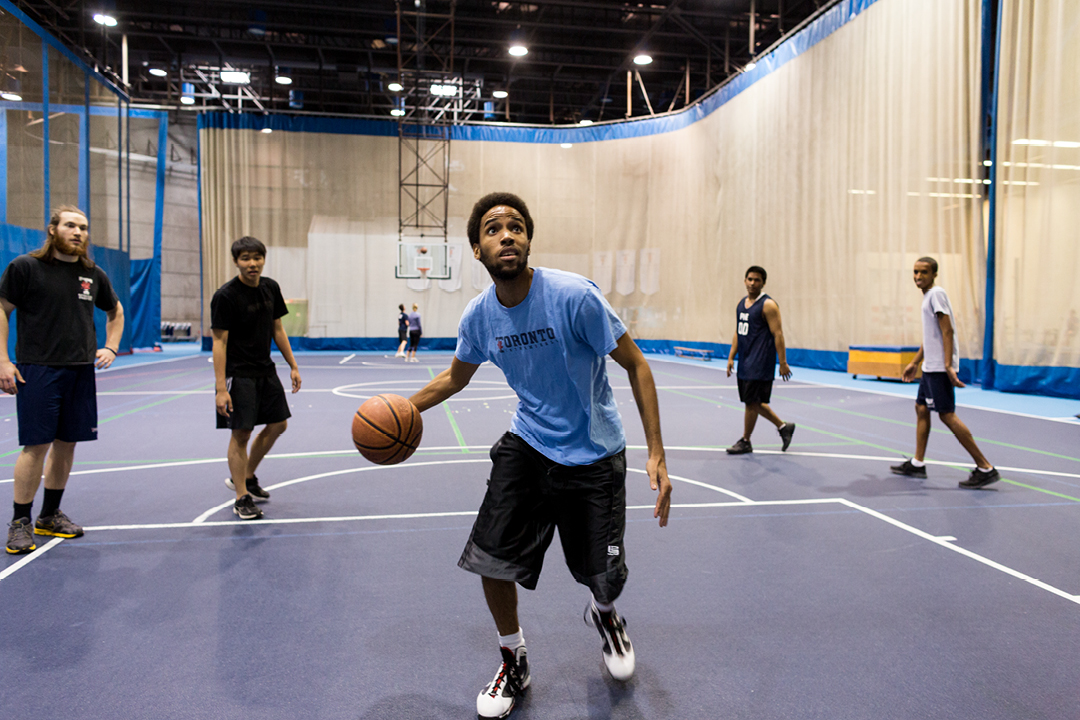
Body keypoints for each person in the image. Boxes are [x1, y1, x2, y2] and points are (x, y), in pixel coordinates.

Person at [407, 192, 672, 719]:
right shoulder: (480, 316)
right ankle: (514, 657)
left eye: (516, 227)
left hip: (594, 452)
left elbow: (637, 366)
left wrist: (657, 453)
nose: (506, 234)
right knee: (492, 557)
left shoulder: (574, 297)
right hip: (528, 445)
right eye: (492, 229)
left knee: (601, 575)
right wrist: (402, 408)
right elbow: (456, 378)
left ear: (528, 240)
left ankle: (605, 615)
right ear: (477, 252)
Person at [0, 205, 124, 555]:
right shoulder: (25, 267)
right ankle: (20, 521)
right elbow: (2, 309)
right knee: (36, 445)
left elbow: (115, 310)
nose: (78, 232)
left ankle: (49, 515)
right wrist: (3, 360)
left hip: (80, 370)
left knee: (67, 444)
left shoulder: (92, 274)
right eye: (70, 225)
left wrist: (112, 347)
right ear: (52, 229)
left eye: (84, 227)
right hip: (38, 369)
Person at [212, 236, 302, 520]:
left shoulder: (270, 287)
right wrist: (220, 389)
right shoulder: (225, 296)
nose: (252, 264)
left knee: (278, 425)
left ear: (263, 258)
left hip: (266, 369)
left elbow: (278, 329)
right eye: (245, 259)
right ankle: (241, 497)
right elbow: (219, 343)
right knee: (241, 433)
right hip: (239, 375)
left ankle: (248, 476)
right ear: (236, 262)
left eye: (257, 258)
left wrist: (293, 365)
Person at [890, 257, 998, 488]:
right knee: (921, 408)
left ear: (934, 274)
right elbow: (931, 336)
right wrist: (916, 362)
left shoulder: (936, 294)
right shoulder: (928, 297)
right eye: (915, 272)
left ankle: (985, 467)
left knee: (947, 415)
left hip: (939, 367)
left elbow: (946, 330)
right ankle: (917, 464)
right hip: (930, 367)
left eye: (924, 272)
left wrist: (948, 365)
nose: (918, 276)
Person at [725, 265, 795, 454]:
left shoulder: (768, 305)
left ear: (763, 282)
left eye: (757, 280)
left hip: (761, 361)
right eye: (749, 279)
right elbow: (738, 331)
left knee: (751, 402)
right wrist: (731, 356)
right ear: (744, 280)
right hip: (745, 361)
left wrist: (782, 362)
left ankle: (746, 440)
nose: (752, 283)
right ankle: (783, 427)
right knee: (753, 401)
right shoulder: (741, 304)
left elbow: (778, 334)